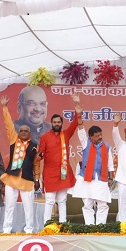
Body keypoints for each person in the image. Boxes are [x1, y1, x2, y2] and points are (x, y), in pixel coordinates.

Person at [40, 96, 83, 224]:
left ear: (61, 123)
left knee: (63, 200)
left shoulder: (66, 134)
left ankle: (63, 224)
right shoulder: (44, 137)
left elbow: (75, 124)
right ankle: (47, 224)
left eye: (59, 122)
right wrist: (39, 155)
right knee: (50, 200)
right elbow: (41, 152)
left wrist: (77, 109)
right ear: (51, 123)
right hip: (50, 173)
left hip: (63, 172)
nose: (57, 124)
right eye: (55, 122)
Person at [0, 125, 42, 233]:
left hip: (26, 180)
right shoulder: (14, 140)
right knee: (9, 206)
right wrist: (4, 108)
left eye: (26, 131)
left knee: (28, 207)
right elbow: (8, 124)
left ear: (30, 133)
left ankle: (29, 229)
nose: (23, 133)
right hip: (12, 179)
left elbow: (36, 164)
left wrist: (37, 179)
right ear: (18, 133)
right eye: (21, 131)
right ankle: (7, 229)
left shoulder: (34, 146)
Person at [76, 124, 116, 225]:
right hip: (88, 179)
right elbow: (81, 131)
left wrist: (111, 178)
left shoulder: (106, 146)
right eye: (97, 135)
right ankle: (90, 226)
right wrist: (79, 117)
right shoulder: (86, 143)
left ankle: (100, 227)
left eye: (101, 134)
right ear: (91, 137)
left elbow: (110, 164)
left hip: (101, 179)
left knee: (103, 204)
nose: (100, 137)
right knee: (88, 205)